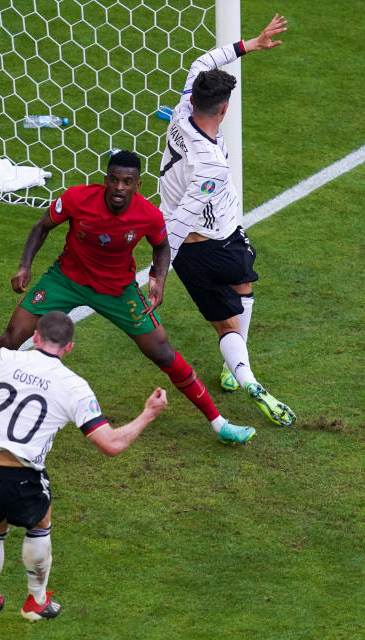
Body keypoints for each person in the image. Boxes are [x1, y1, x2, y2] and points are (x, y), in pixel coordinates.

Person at [0, 150, 254, 444]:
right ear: (106, 179)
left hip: (117, 290)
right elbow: (42, 227)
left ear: (137, 185)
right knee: (12, 335)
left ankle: (219, 423)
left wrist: (158, 279)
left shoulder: (148, 215)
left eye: (127, 182)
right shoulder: (78, 198)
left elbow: (161, 246)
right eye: (114, 179)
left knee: (162, 352)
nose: (119, 187)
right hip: (66, 279)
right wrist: (24, 266)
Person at [0, 311, 168, 626]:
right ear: (69, 347)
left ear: (36, 337)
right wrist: (148, 414)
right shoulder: (74, 386)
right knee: (40, 519)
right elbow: (111, 444)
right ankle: (36, 601)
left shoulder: (1, 358)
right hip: (20, 480)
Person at [156, 13, 295, 427]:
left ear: (195, 99)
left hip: (187, 254)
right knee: (243, 284)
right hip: (221, 238)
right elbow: (186, 216)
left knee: (225, 319)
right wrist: (159, 271)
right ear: (226, 107)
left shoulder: (181, 109)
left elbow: (202, 61)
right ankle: (242, 375)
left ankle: (243, 375)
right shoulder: (212, 164)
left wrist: (251, 44)